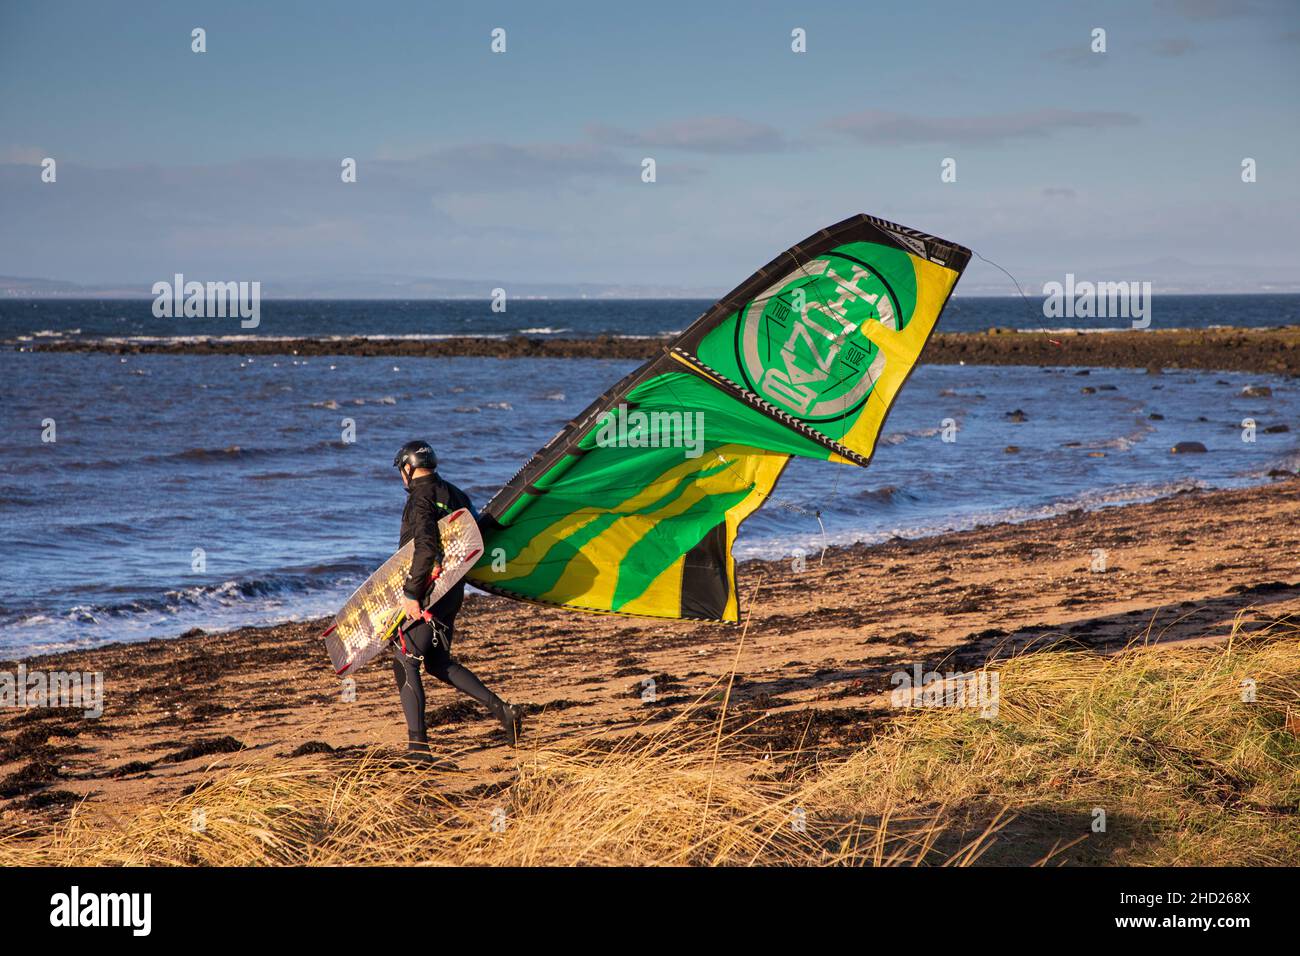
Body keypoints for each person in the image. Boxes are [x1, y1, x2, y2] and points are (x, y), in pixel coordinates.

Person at [391, 440, 523, 756]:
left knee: (405, 660)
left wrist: (411, 593)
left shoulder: (419, 499)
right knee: (438, 662)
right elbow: (475, 534)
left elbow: (425, 548)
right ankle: (504, 711)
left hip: (429, 591)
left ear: (408, 467)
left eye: (400, 470)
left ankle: (418, 748)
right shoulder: (454, 493)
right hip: (453, 590)